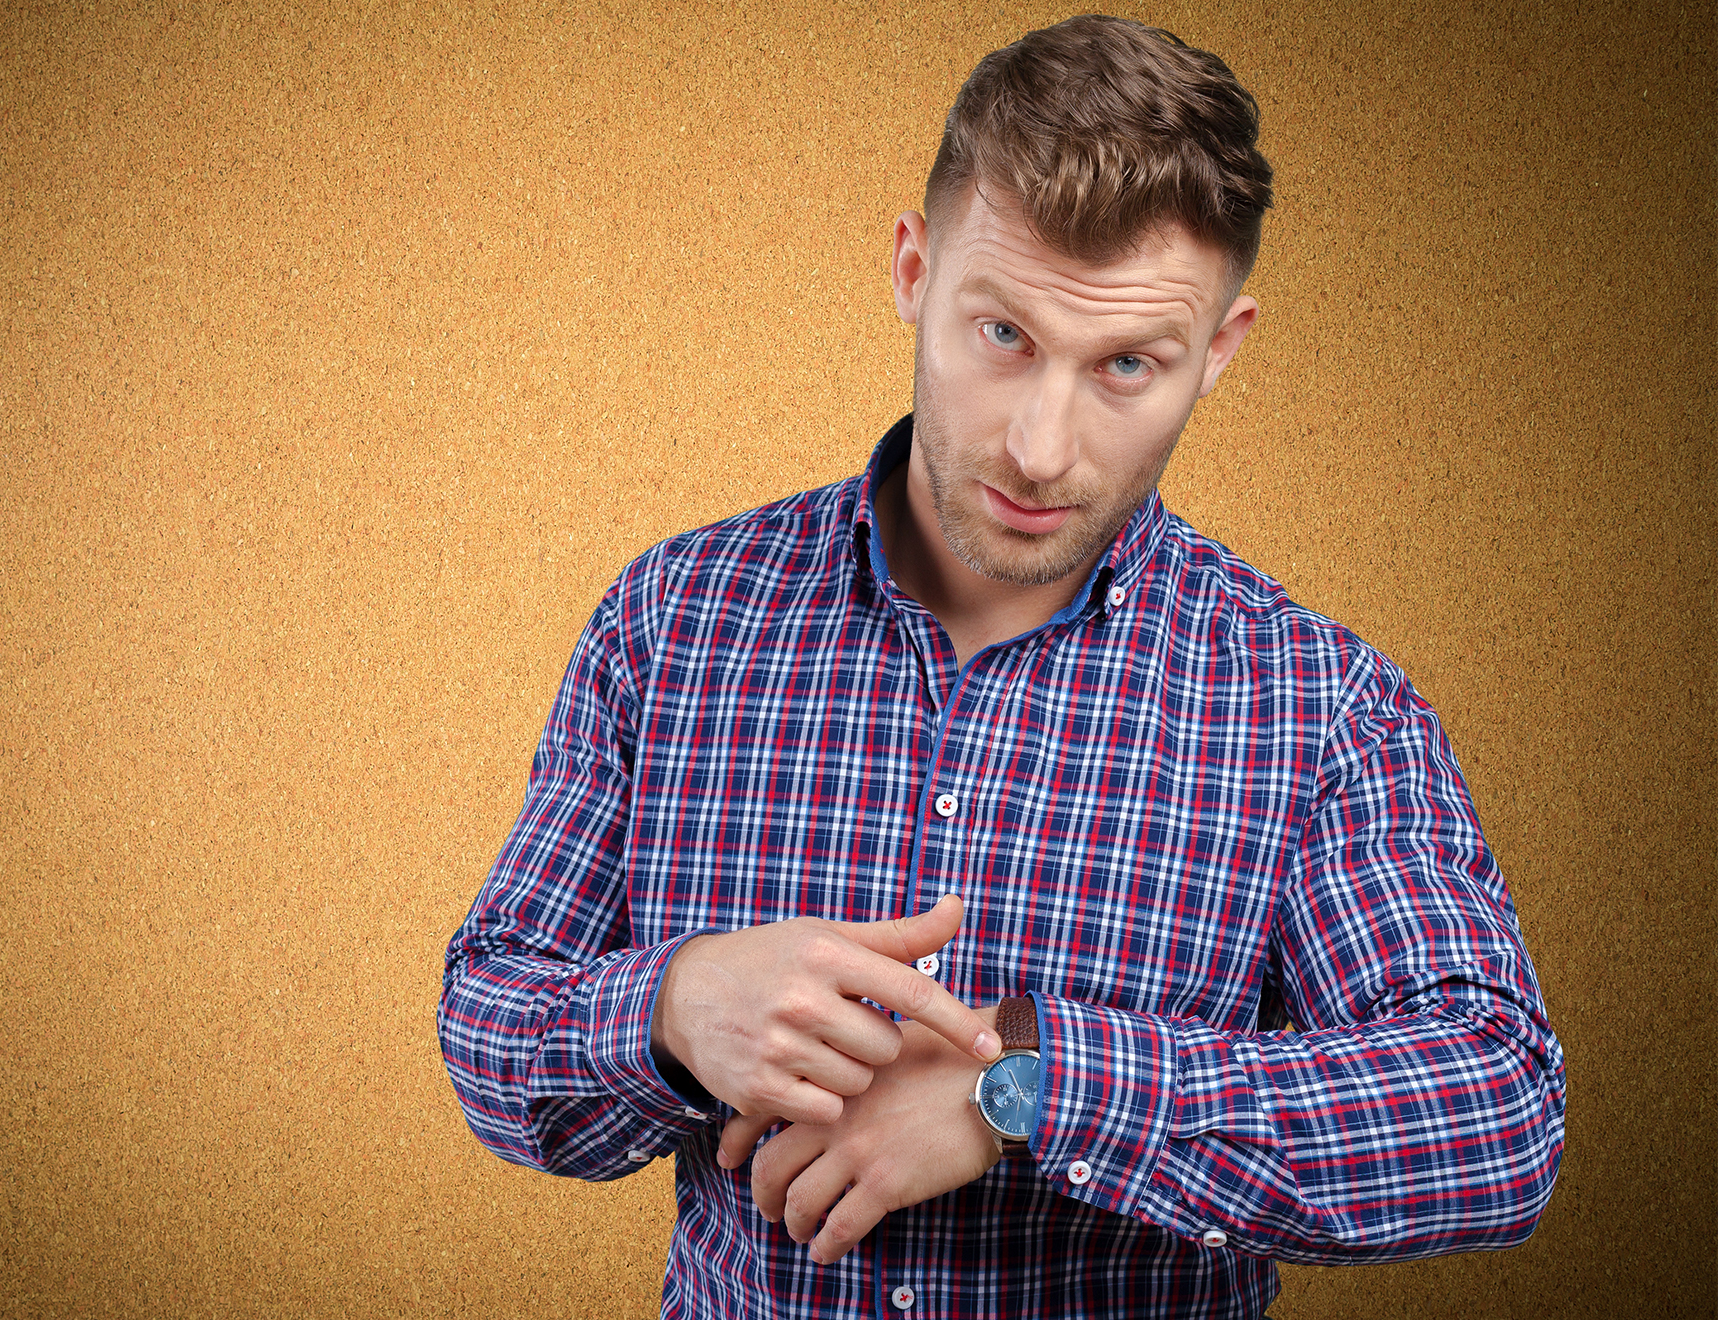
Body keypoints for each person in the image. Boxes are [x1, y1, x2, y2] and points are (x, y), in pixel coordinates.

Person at [435, 15, 1563, 1318]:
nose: (1041, 446)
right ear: (915, 269)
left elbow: (1491, 1116)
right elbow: (492, 1029)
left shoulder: (1317, 710)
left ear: (1222, 351)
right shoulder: (672, 618)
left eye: (1126, 365)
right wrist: (675, 1007)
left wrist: (1026, 1084)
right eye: (1005, 336)